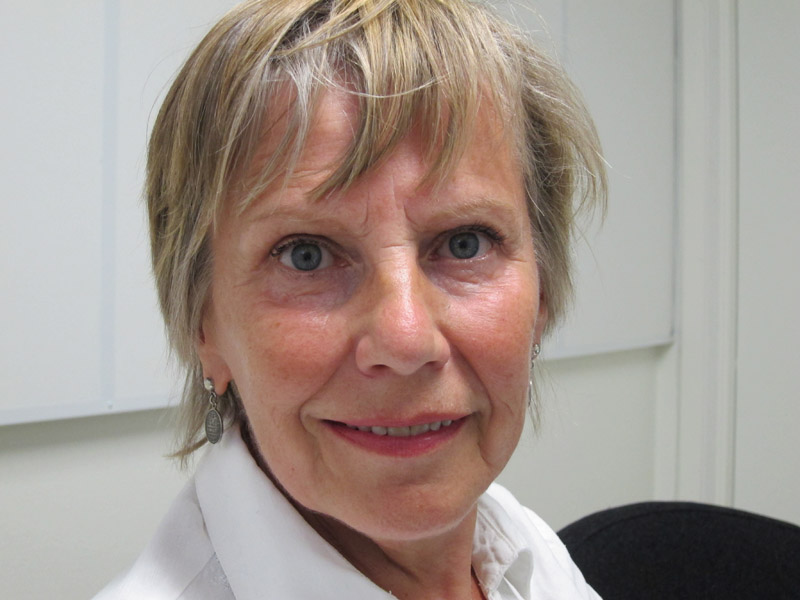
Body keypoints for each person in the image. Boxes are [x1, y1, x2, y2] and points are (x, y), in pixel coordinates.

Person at [95, 0, 606, 598]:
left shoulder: (527, 550)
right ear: (202, 324)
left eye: (464, 243)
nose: (405, 339)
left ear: (541, 295)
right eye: (306, 255)